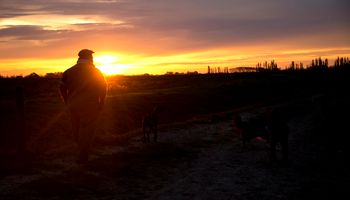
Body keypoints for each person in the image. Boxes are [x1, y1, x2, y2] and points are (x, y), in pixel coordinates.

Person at [59, 49, 107, 163]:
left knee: (76, 128)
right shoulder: (96, 72)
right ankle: (82, 156)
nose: (93, 59)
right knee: (87, 130)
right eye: (92, 57)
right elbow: (103, 88)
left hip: (73, 104)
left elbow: (61, 87)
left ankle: (80, 149)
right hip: (90, 105)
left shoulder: (68, 71)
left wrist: (66, 101)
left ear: (79, 58)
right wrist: (101, 103)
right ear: (90, 58)